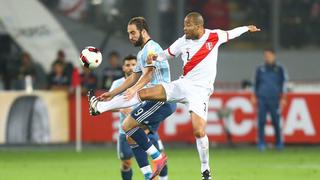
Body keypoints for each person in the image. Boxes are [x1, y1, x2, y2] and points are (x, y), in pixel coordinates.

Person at [88, 12, 260, 180]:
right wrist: (155, 56)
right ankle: (100, 107)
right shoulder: (182, 41)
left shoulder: (215, 36)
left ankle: (205, 169)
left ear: (199, 26)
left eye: (188, 25)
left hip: (200, 91)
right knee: (144, 95)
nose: (184, 28)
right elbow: (166, 54)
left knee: (198, 131)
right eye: (184, 24)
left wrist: (246, 28)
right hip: (183, 84)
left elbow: (232, 33)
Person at [89, 17, 175, 180]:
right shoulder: (142, 52)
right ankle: (152, 169)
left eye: (133, 33)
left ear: (143, 31)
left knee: (129, 123)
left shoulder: (152, 48)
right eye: (129, 33)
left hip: (162, 99)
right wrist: (113, 93)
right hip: (152, 99)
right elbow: (134, 76)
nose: (130, 37)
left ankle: (158, 160)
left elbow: (148, 74)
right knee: (129, 131)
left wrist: (134, 89)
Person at [110, 55, 168, 180]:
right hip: (125, 130)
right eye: (127, 65)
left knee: (161, 158)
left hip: (146, 127)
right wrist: (121, 108)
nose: (130, 67)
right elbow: (110, 105)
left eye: (133, 65)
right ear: (123, 67)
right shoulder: (118, 84)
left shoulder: (146, 82)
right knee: (126, 163)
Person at [252, 48, 287, 151]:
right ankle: (261, 143)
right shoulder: (260, 68)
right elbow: (255, 83)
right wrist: (253, 95)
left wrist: (283, 98)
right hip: (262, 98)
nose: (267, 57)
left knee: (276, 121)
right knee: (261, 121)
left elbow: (284, 83)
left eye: (269, 55)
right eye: (265, 55)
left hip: (274, 98)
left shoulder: (280, 69)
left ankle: (278, 142)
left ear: (273, 56)